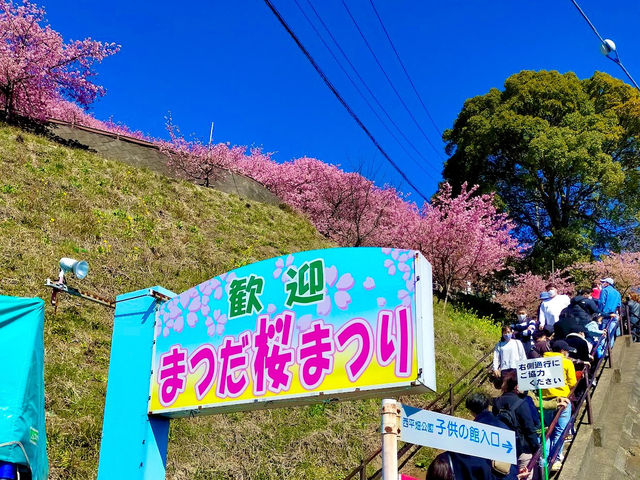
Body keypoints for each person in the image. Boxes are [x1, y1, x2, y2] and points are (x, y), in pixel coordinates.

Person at [492, 373, 540, 477]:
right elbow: (529, 428)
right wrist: (536, 447)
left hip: (503, 448)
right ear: (517, 386)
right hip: (522, 448)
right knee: (525, 475)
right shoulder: (522, 403)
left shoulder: (496, 402)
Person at [541, 340, 577, 472]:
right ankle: (555, 460)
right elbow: (573, 383)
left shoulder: (541, 361)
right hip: (562, 400)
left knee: (546, 431)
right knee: (559, 431)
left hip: (544, 401)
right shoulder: (566, 362)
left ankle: (543, 461)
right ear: (562, 351)